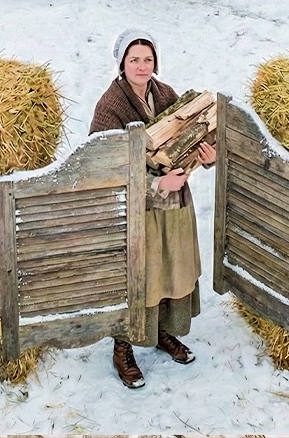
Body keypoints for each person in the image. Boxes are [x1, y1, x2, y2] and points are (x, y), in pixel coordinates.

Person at [89, 27, 216, 389]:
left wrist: (208, 155)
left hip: (174, 207)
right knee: (137, 277)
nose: (142, 66)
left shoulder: (167, 95)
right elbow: (103, 166)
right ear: (122, 64)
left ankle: (161, 332)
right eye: (134, 60)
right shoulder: (110, 105)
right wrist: (156, 184)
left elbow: (193, 135)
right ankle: (123, 348)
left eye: (147, 59)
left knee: (169, 269)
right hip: (138, 210)